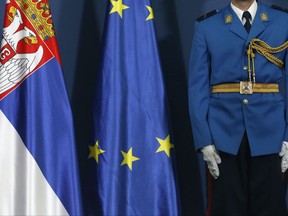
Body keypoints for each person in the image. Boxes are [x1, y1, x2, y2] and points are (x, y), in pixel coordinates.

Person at [188, 0, 288, 215]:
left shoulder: (283, 22)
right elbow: (197, 89)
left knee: (271, 208)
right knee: (227, 209)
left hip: (271, 133)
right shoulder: (207, 26)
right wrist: (204, 140)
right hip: (223, 136)